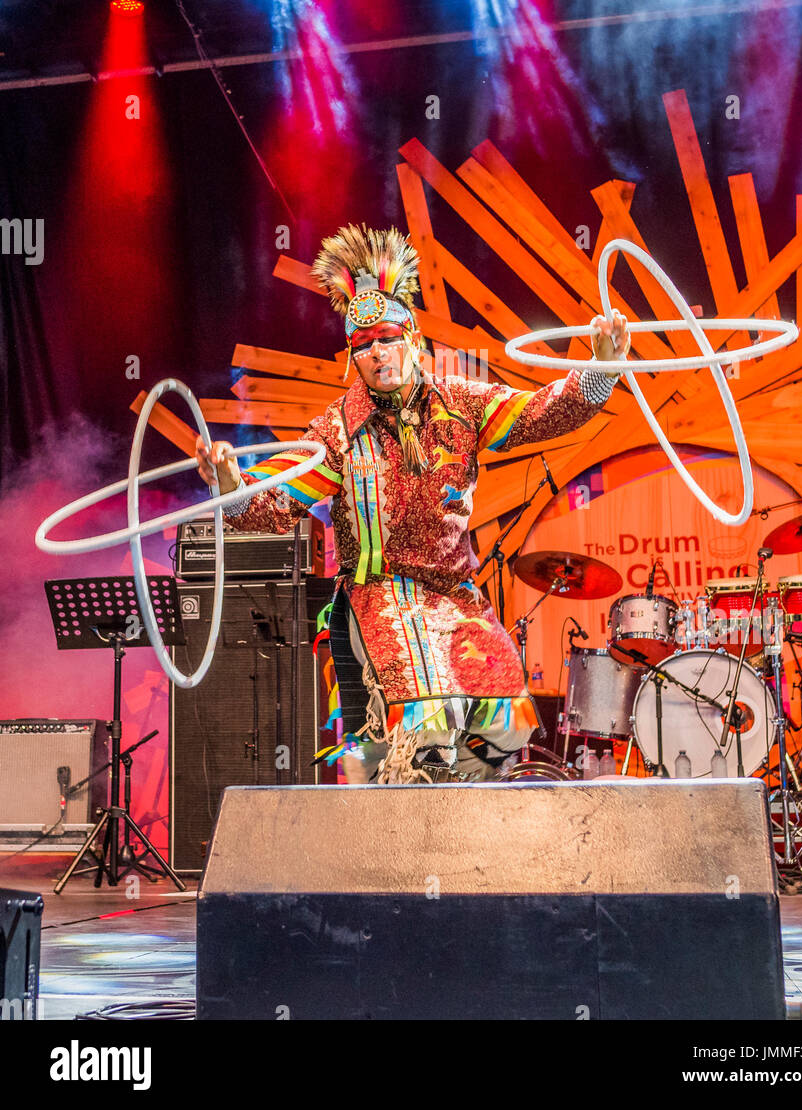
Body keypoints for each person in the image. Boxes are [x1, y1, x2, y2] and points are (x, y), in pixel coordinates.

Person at [195, 224, 630, 783]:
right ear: (353, 356)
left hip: (454, 595)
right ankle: (406, 816)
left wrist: (601, 370)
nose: (379, 353)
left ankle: (449, 823)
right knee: (431, 718)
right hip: (379, 597)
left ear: (413, 339)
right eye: (364, 344)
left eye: (388, 337)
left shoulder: (461, 406)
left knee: (509, 722)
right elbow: (272, 503)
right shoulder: (337, 433)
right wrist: (232, 486)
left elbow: (543, 412)